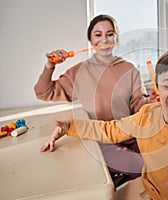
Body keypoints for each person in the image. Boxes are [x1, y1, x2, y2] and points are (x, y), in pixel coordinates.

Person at [40, 47, 168, 200]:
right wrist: (70, 126)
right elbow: (111, 129)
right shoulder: (148, 114)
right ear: (158, 87)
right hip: (147, 188)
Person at [34, 14, 156, 188]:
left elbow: (139, 106)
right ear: (91, 40)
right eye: (98, 35)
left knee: (159, 163)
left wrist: (150, 101)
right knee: (140, 166)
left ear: (116, 38)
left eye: (110, 34)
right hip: (101, 140)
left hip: (130, 135)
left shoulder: (130, 69)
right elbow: (43, 92)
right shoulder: (79, 72)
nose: (105, 39)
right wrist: (49, 66)